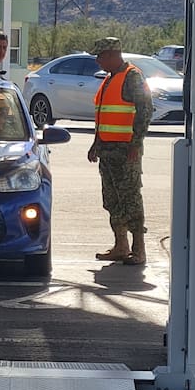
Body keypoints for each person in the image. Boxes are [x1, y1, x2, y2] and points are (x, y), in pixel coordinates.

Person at [87, 37, 153, 265]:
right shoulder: (109, 79)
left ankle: (138, 249)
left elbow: (145, 110)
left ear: (113, 55)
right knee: (112, 200)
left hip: (126, 152)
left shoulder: (132, 77)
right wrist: (96, 144)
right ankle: (120, 246)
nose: (97, 61)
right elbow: (105, 115)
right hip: (107, 151)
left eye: (100, 56)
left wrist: (136, 142)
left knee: (130, 199)